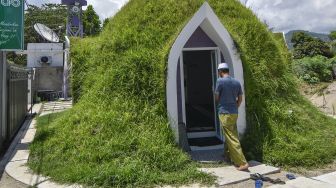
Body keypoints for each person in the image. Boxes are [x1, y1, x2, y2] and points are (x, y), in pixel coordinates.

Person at [214, 63, 249, 171]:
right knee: (231, 133)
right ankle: (228, 155)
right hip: (234, 112)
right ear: (227, 70)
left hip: (225, 113)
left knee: (231, 137)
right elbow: (240, 99)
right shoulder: (236, 82)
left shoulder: (220, 81)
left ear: (220, 71)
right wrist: (235, 106)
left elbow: (216, 97)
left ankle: (242, 162)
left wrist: (220, 104)